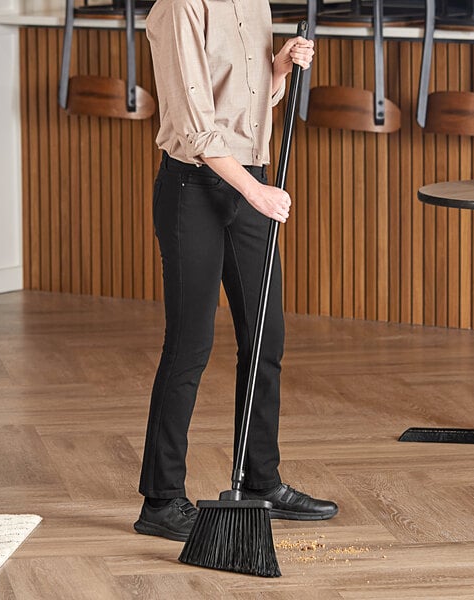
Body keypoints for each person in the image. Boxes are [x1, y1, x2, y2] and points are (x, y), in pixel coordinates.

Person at [134, 0, 338, 542]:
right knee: (190, 344)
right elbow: (196, 125)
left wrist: (279, 67)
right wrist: (255, 192)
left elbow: (249, 107)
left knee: (265, 339)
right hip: (193, 189)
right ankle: (161, 499)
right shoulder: (179, 8)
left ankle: (260, 481)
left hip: (251, 182)